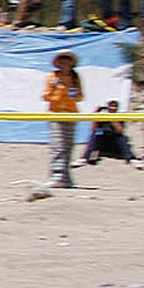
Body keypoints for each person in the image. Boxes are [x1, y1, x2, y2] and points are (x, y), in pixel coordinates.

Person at [42, 50, 82, 188]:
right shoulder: (52, 77)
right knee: (57, 145)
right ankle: (56, 175)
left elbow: (79, 97)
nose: (64, 63)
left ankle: (66, 178)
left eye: (67, 60)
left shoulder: (75, 78)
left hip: (71, 113)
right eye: (62, 61)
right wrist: (56, 88)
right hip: (56, 114)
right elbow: (46, 96)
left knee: (68, 146)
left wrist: (70, 90)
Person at [82, 101, 136, 166]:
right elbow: (94, 129)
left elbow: (120, 131)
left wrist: (112, 118)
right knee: (94, 136)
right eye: (111, 106)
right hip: (105, 142)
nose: (113, 108)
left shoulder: (120, 116)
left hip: (115, 143)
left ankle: (131, 158)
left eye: (115, 106)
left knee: (122, 138)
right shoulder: (103, 117)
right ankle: (84, 158)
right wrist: (95, 115)